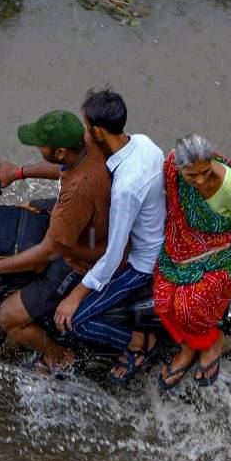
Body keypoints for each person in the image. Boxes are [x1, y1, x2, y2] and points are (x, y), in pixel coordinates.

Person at [0, 110, 110, 375]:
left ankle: (59, 356)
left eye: (41, 145)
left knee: (10, 316)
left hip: (78, 259)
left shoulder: (77, 194)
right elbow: (63, 170)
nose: (37, 147)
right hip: (87, 223)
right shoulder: (88, 147)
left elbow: (48, 250)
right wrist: (18, 172)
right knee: (24, 207)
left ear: (60, 152)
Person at [49, 88, 166, 384]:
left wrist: (75, 296)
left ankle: (138, 344)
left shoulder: (126, 187)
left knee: (73, 322)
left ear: (98, 131)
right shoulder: (143, 143)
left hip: (143, 263)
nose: (83, 134)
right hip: (159, 234)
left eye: (86, 127)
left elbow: (113, 256)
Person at [154, 134, 231, 389]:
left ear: (212, 161)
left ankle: (212, 344)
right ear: (179, 169)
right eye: (192, 176)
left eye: (206, 172)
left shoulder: (230, 189)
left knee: (189, 305)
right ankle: (188, 349)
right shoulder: (171, 172)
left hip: (230, 248)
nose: (200, 181)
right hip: (188, 244)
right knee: (163, 299)